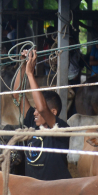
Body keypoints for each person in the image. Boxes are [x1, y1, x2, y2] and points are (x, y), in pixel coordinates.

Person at [11, 49, 71, 181]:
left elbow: (43, 109)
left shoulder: (60, 128)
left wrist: (30, 74)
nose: (35, 112)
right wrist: (23, 64)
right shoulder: (33, 122)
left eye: (37, 109)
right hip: (34, 189)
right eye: (35, 108)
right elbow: (17, 95)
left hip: (55, 190)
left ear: (53, 112)